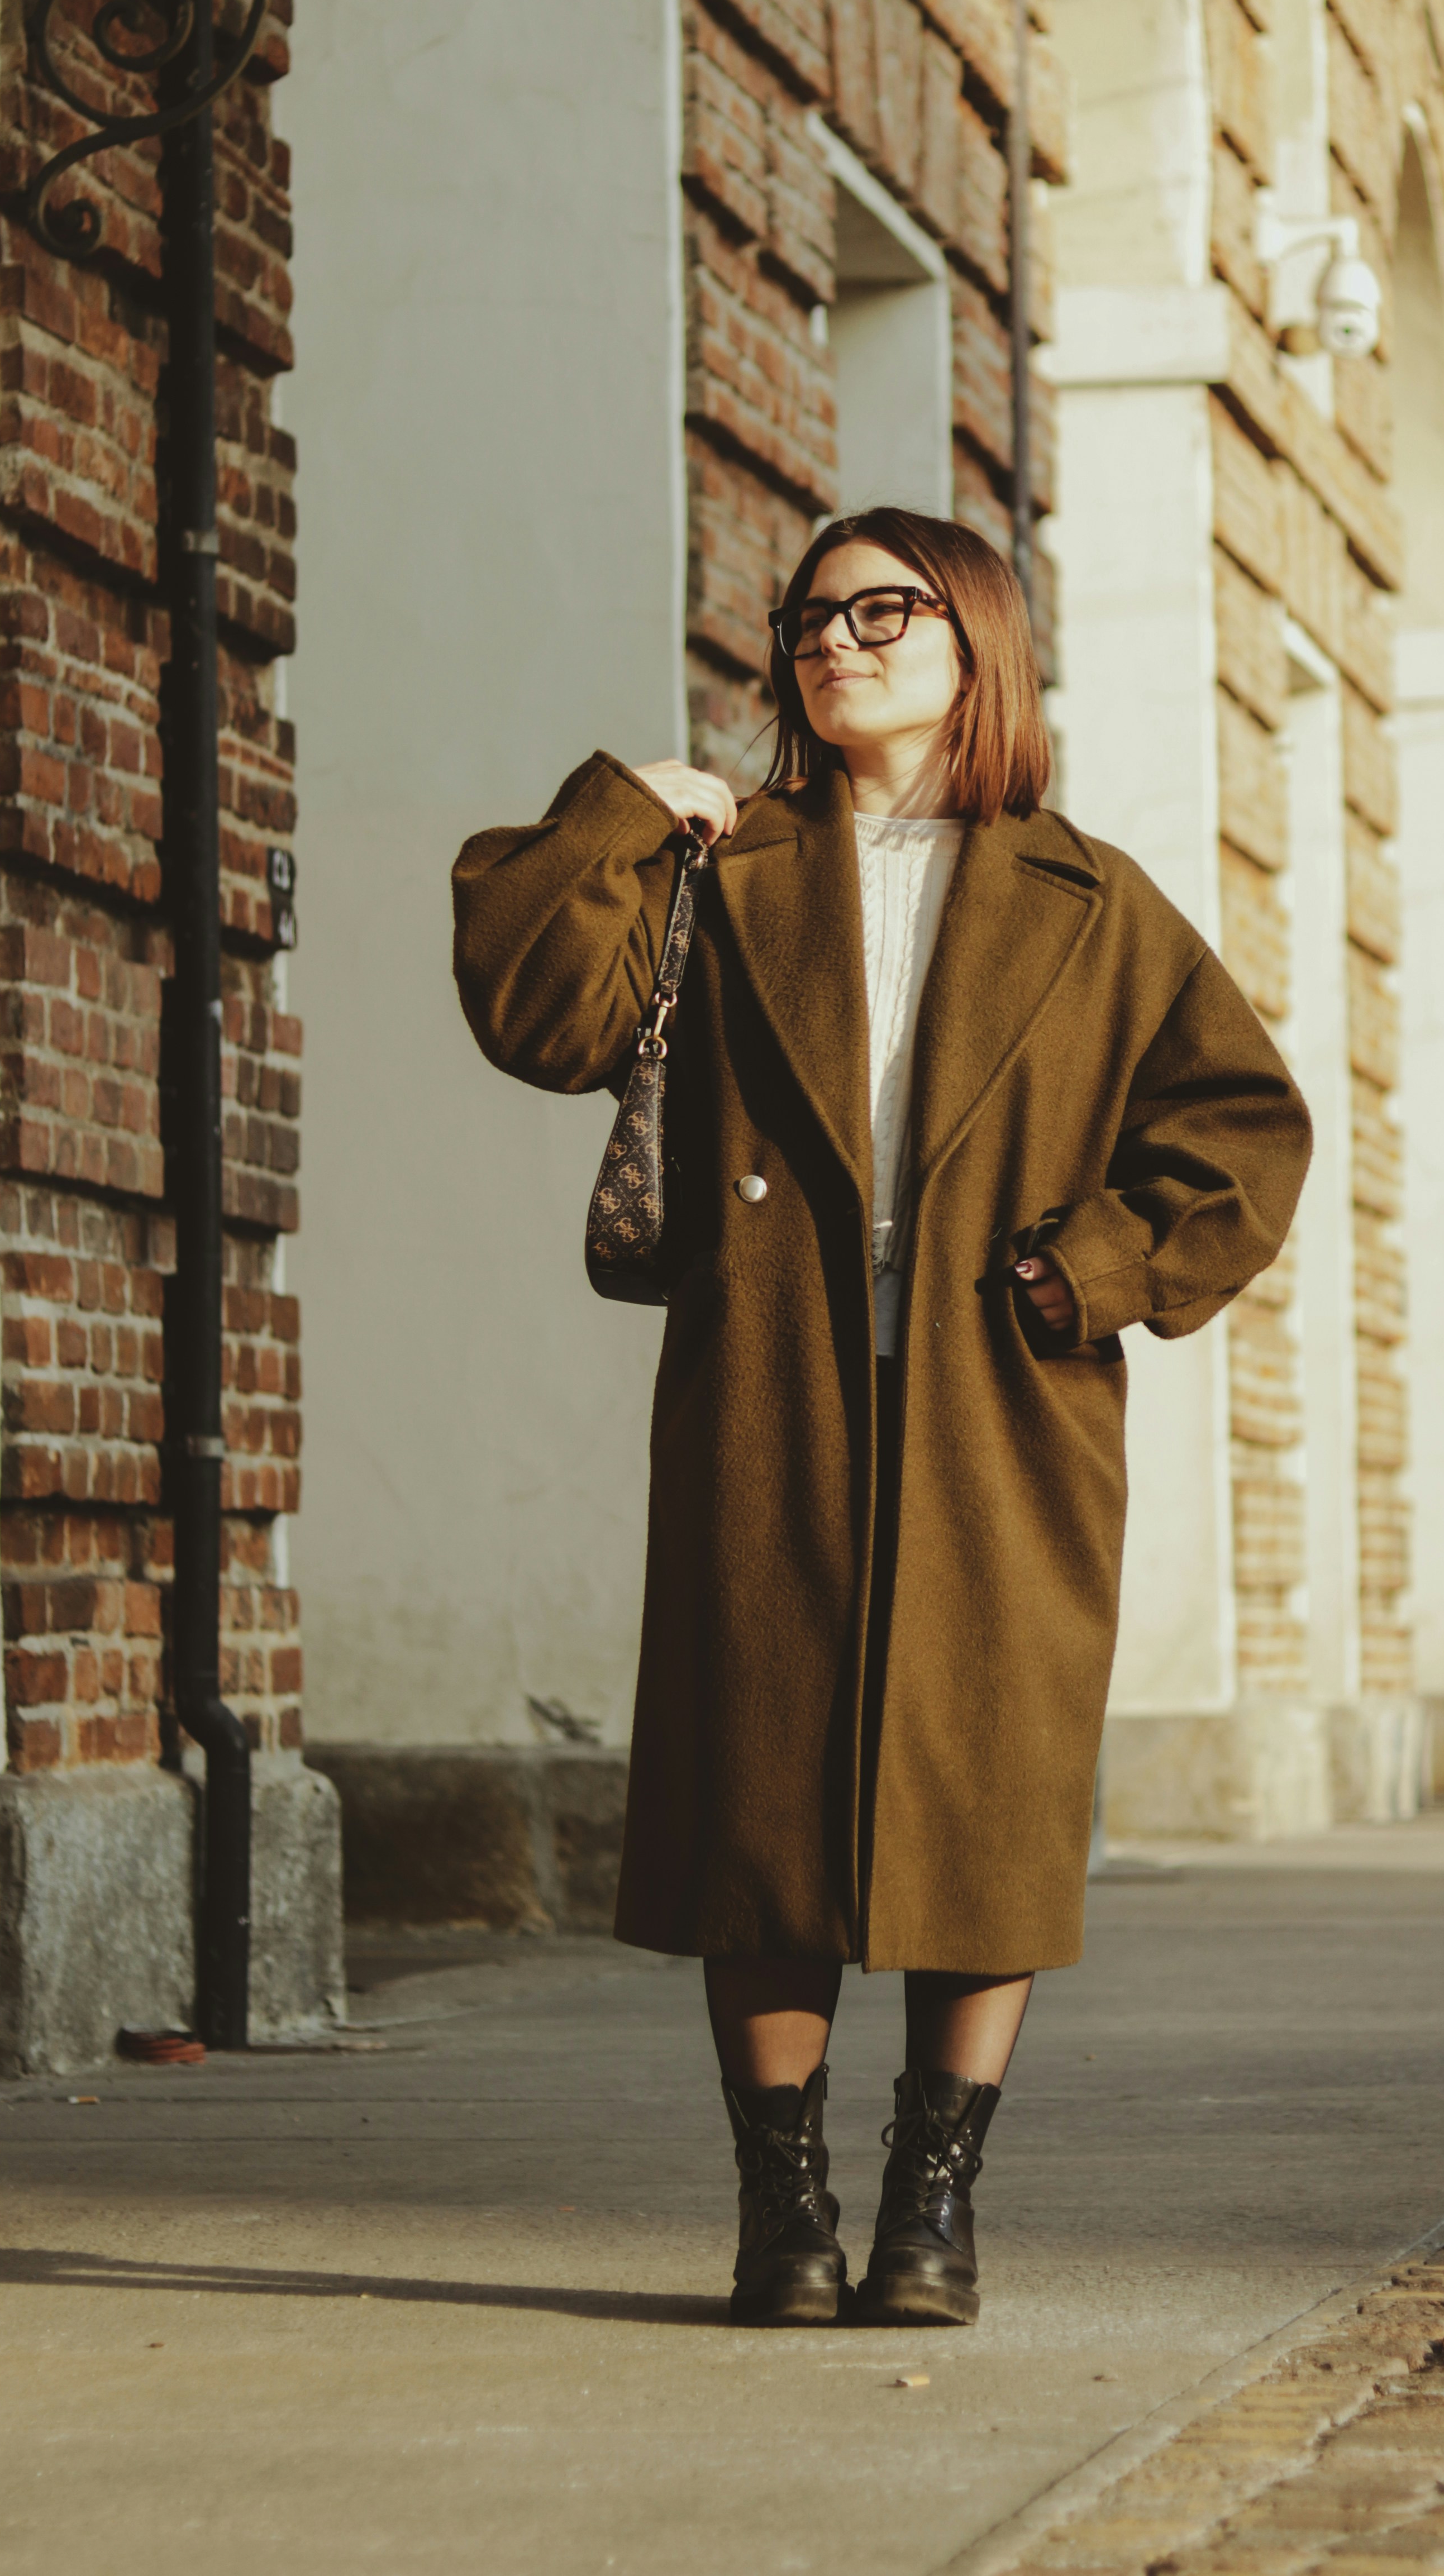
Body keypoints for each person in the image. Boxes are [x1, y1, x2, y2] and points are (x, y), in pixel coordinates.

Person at [451, 508, 1310, 2327]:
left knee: (982, 1809)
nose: (832, 641)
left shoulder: (1091, 902)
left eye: (880, 610)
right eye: (808, 620)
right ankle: (785, 2211)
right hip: (770, 1406)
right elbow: (530, 1009)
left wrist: (1089, 1271)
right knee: (763, 1814)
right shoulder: (719, 864)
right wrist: (630, 809)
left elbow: (1244, 1130)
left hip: (1004, 1415)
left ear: (975, 637)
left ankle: (935, 2203)